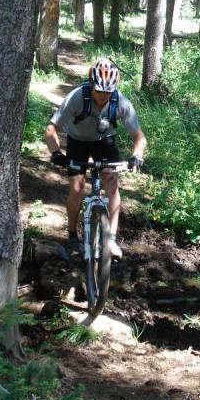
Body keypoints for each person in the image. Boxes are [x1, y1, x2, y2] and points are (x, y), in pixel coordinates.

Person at [45, 58, 147, 258]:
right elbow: (51, 129)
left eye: (108, 92)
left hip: (104, 141)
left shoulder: (121, 102)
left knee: (112, 183)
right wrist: (56, 152)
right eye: (99, 91)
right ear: (91, 85)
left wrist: (137, 155)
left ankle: (111, 240)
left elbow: (139, 136)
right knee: (77, 188)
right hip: (77, 141)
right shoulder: (77, 97)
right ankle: (72, 235)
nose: (103, 96)